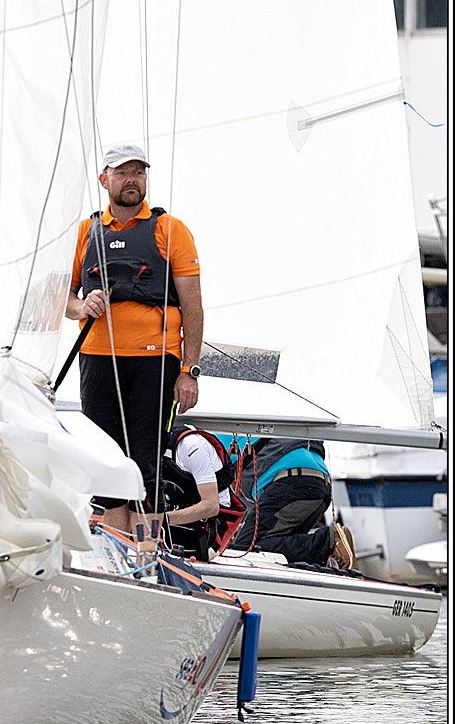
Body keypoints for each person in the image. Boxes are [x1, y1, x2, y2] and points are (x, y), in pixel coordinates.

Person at [65, 143, 203, 536]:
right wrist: (81, 307)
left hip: (155, 361)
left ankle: (144, 555)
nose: (132, 180)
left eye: (138, 172)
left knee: (146, 464)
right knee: (104, 463)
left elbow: (193, 308)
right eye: (123, 173)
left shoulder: (171, 230)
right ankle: (116, 553)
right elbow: (61, 296)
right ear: (104, 179)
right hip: (98, 358)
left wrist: (189, 371)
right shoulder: (85, 232)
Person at [231, 436, 356, 568]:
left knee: (243, 550)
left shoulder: (216, 433)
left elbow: (215, 496)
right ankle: (328, 553)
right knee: (278, 546)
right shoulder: (246, 428)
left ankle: (328, 543)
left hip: (292, 481)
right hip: (318, 481)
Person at [157, 424, 245, 560]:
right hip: (172, 519)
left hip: (208, 527)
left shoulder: (192, 446)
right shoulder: (144, 445)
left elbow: (211, 506)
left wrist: (161, 520)